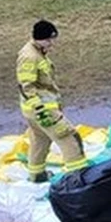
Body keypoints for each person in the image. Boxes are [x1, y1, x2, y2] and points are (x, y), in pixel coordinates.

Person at [16, 20, 88, 182]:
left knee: (40, 139)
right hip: (42, 110)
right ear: (39, 38)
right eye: (49, 40)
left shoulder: (36, 52)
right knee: (69, 138)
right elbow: (26, 86)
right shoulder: (29, 57)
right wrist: (41, 110)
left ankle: (36, 174)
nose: (52, 44)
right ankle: (78, 179)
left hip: (33, 111)